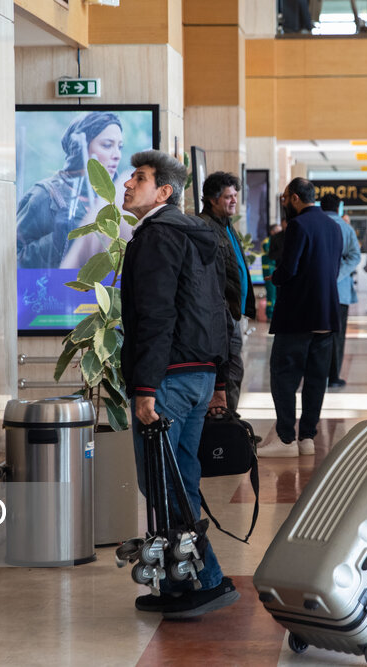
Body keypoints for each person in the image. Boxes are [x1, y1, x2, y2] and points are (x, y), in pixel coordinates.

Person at [119, 150, 238, 618]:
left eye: (140, 178)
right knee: (180, 476)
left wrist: (144, 388)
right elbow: (219, 311)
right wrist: (220, 379)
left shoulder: (155, 237)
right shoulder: (200, 234)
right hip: (199, 375)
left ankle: (207, 579)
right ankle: (176, 583)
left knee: (164, 484)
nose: (128, 184)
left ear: (163, 192)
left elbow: (155, 316)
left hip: (167, 380)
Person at [257, 178, 342, 458]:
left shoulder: (298, 225)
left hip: (297, 315)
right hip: (326, 315)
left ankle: (285, 439)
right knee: (317, 379)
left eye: (284, 198)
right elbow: (334, 267)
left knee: (284, 375)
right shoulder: (334, 226)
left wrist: (276, 276)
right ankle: (307, 437)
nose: (283, 203)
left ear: (294, 198)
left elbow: (289, 268)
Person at [15, 111, 123, 268]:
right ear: (79, 148)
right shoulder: (45, 196)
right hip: (56, 291)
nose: (117, 155)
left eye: (120, 147)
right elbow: (12, 262)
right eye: (107, 145)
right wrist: (55, 241)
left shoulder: (119, 200)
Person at [199, 171, 255, 414]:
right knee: (228, 372)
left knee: (234, 371)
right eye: (228, 196)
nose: (234, 200)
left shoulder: (226, 225)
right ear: (212, 199)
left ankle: (230, 421)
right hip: (220, 316)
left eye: (235, 195)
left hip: (233, 314)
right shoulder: (205, 228)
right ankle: (225, 426)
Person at [319, 194, 361, 388]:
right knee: (337, 333)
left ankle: (317, 373)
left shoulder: (313, 224)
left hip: (316, 290)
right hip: (340, 292)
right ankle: (333, 376)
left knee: (316, 332)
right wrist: (336, 274)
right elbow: (354, 256)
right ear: (339, 208)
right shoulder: (346, 228)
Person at [261, 223, 284, 320]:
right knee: (271, 293)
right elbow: (271, 253)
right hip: (268, 269)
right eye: (278, 230)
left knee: (274, 293)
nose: (280, 232)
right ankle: (270, 315)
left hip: (274, 268)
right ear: (272, 231)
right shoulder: (267, 241)